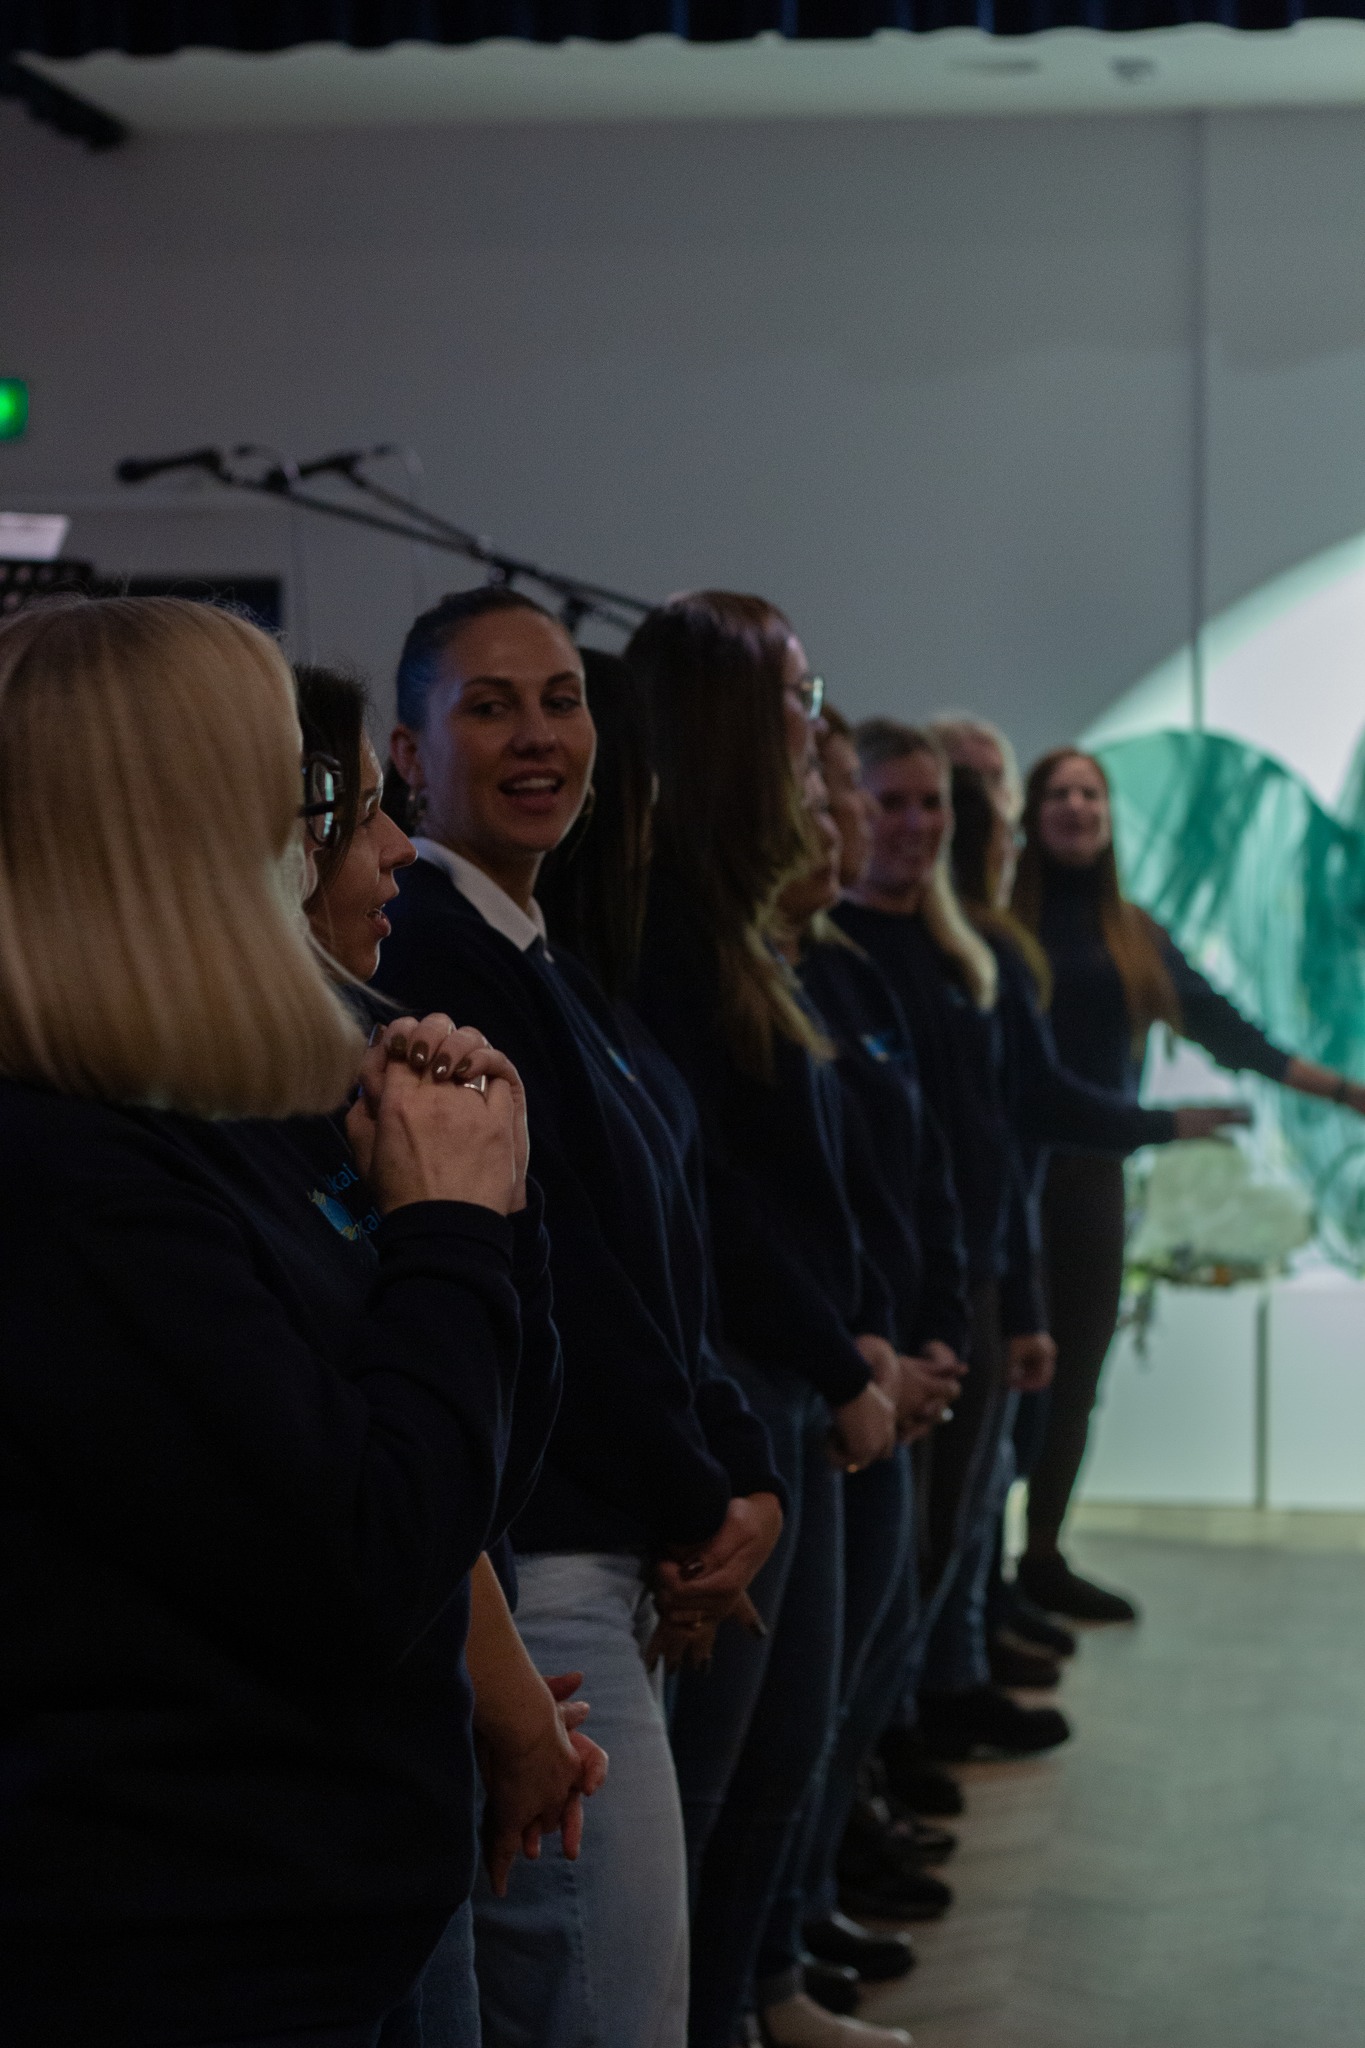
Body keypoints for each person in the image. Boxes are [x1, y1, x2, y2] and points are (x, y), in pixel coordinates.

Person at [0, 595, 539, 2048]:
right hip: (180, 1958)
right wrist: (449, 1227)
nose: (339, 835)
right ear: (177, 828)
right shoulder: (77, 1183)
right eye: (299, 787)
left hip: (295, 1931)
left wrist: (472, 1195)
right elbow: (371, 1552)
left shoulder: (196, 1125)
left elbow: (464, 1455)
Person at [378, 588, 782, 2048]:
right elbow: (574, 1284)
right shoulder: (435, 953)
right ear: (409, 756)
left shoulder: (537, 948)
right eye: (489, 707)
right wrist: (705, 1496)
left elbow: (667, 1246)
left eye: (561, 699)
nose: (537, 736)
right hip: (549, 1560)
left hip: (618, 1538)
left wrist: (737, 1467)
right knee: (605, 2010)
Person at [295, 661, 608, 2045]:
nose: (398, 850)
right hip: (298, 1846)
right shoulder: (169, 1152)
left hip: (399, 1764)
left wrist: (496, 1210)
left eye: (563, 698)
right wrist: (509, 1700)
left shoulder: (357, 1066)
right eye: (362, 808)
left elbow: (483, 1449)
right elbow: (385, 1511)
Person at [628, 592, 909, 2048]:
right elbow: (723, 1202)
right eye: (796, 695)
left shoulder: (739, 925)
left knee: (783, 1739)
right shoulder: (670, 928)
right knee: (723, 1763)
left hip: (797, 1369)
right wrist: (835, 1352)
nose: (811, 720)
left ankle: (745, 1998)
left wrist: (856, 1342)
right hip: (751, 1377)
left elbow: (815, 1189)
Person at [1010, 746, 1365, 1622]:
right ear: (1029, 813)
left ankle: (1039, 1559)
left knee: (1075, 1380)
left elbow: (1228, 1033)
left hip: (1093, 1185)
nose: (1076, 806)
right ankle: (974, 1594)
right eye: (1058, 793)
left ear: (1107, 815)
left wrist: (1342, 1091)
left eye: (1089, 793)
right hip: (1009, 1184)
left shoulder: (1133, 932)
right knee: (1000, 1391)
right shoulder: (996, 924)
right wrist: (1167, 1125)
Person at [778, 737, 969, 1953]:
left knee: (866, 1655)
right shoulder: (758, 984)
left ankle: (801, 1917)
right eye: (839, 788)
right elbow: (778, 1216)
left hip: (894, 1362)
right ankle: (776, 1949)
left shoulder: (850, 975)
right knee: (804, 1705)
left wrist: (937, 1335)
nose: (850, 813)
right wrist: (868, 1359)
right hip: (835, 1381)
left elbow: (929, 1171)